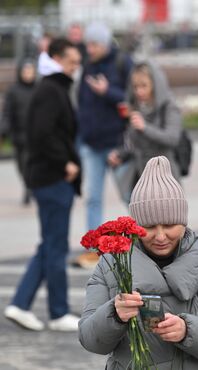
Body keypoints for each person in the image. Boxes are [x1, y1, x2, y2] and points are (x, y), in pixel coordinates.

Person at [79, 156, 198, 369]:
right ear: (135, 226)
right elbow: (89, 338)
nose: (160, 236)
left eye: (169, 225)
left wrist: (188, 331)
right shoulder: (111, 267)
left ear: (183, 222)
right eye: (149, 227)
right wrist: (114, 314)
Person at [3, 38, 82, 332]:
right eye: (72, 62)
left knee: (49, 244)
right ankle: (58, 311)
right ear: (58, 58)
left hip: (50, 178)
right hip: (52, 179)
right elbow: (42, 134)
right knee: (56, 245)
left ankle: (21, 304)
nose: (76, 67)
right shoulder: (51, 89)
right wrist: (66, 163)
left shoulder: (52, 87)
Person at [75, 21, 133, 268]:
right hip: (91, 143)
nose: (90, 48)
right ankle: (93, 249)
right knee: (93, 198)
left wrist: (108, 91)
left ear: (106, 43)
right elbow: (81, 101)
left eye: (95, 43)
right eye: (88, 44)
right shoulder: (88, 65)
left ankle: (143, 239)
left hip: (115, 144)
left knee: (130, 195)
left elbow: (132, 98)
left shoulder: (122, 63)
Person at [107, 61, 183, 203]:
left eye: (144, 86)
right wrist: (120, 154)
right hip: (142, 176)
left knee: (168, 220)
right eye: (135, 87)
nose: (139, 91)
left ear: (155, 85)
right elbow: (134, 143)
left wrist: (145, 127)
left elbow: (172, 138)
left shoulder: (168, 106)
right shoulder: (137, 107)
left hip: (165, 176)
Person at [0, 59, 37, 205]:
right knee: (21, 165)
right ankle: (28, 184)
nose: (28, 74)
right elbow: (8, 113)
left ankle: (29, 188)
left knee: (29, 163)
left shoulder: (38, 89)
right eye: (25, 71)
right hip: (18, 135)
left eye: (31, 71)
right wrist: (4, 130)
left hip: (34, 136)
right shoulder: (13, 91)